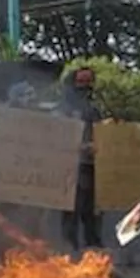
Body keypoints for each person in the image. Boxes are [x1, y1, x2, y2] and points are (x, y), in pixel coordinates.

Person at [59, 66, 103, 251]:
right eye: (81, 82)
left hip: (93, 168)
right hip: (69, 169)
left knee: (93, 212)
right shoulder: (63, 108)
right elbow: (54, 135)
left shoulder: (94, 109)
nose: (85, 86)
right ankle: (70, 252)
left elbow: (102, 133)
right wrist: (78, 146)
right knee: (71, 212)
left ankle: (94, 253)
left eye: (89, 82)